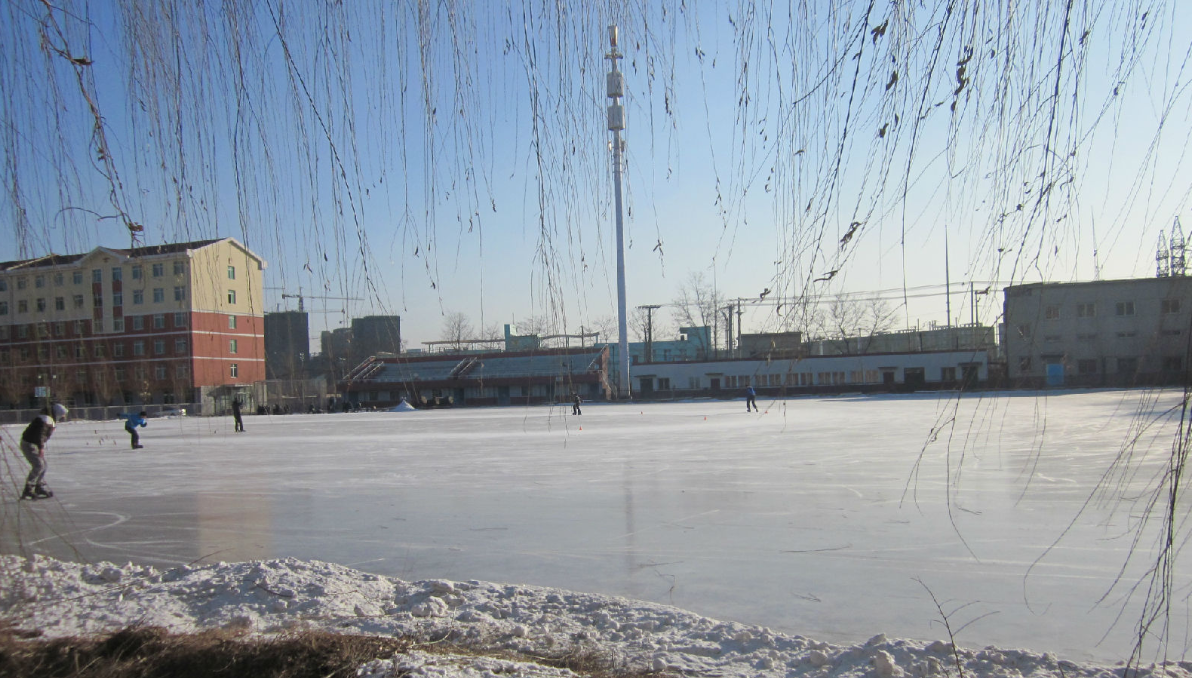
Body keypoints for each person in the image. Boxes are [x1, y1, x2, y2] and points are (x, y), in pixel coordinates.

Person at [20, 403, 67, 500]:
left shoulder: (47, 419)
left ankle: (38, 486)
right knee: (38, 465)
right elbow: (40, 435)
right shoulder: (45, 420)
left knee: (44, 465)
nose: (63, 417)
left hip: (33, 444)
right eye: (62, 415)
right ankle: (28, 489)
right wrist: (41, 448)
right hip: (29, 444)